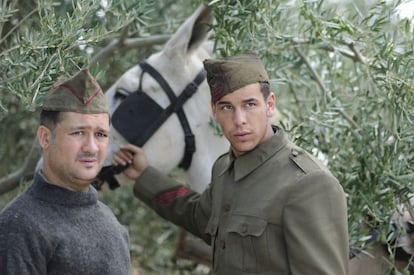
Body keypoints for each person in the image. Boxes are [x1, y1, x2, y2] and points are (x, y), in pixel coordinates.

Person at [113, 53, 349, 274]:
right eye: (227, 107)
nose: (239, 120)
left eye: (250, 104)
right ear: (214, 111)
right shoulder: (224, 168)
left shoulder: (308, 183)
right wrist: (144, 175)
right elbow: (198, 215)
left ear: (270, 105)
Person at [0, 69, 131, 274]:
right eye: (78, 133)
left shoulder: (111, 224)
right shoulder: (18, 227)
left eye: (100, 134)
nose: (92, 147)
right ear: (45, 138)